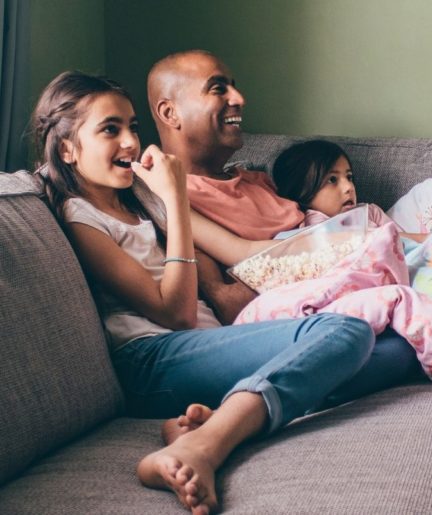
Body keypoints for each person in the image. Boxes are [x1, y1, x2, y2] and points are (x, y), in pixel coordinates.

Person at [32, 70, 377, 514]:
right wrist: (175, 199)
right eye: (109, 130)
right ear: (67, 148)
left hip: (202, 349)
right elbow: (175, 313)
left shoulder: (137, 198)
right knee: (345, 334)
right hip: (152, 361)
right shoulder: (81, 217)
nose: (130, 143)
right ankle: (207, 446)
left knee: (393, 350)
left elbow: (238, 256)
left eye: (132, 127)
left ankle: (214, 420)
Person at [146, 49, 422, 407]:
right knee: (400, 346)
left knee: (406, 344)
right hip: (304, 312)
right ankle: (266, 402)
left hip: (356, 275)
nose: (239, 99)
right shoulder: (174, 201)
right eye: (218, 89)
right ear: (171, 113)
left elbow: (319, 218)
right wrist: (355, 242)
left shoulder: (257, 179)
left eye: (234, 86)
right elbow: (229, 301)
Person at [271, 139, 426, 242]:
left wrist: (428, 240)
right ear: (301, 191)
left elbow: (401, 241)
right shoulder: (314, 224)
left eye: (349, 177)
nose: (349, 187)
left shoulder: (370, 211)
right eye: (332, 180)